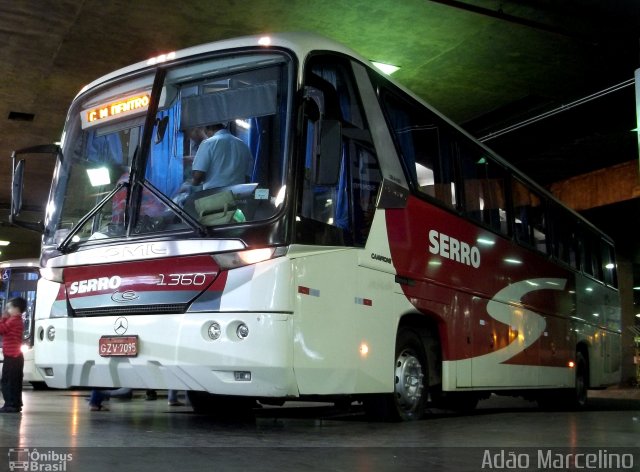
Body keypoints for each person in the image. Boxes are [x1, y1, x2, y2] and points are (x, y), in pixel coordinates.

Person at [191, 123, 253, 190]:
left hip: (214, 195)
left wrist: (191, 186)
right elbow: (247, 176)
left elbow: (198, 177)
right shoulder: (243, 145)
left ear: (207, 129)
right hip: (239, 195)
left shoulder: (208, 143)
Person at [0, 297, 27, 413]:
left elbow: (1, 330)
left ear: (17, 309)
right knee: (15, 381)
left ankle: (10, 404)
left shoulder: (13, 320)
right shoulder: (17, 320)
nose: (7, 310)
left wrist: (3, 318)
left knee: (7, 381)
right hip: (16, 356)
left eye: (9, 308)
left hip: (12, 356)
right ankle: (15, 403)